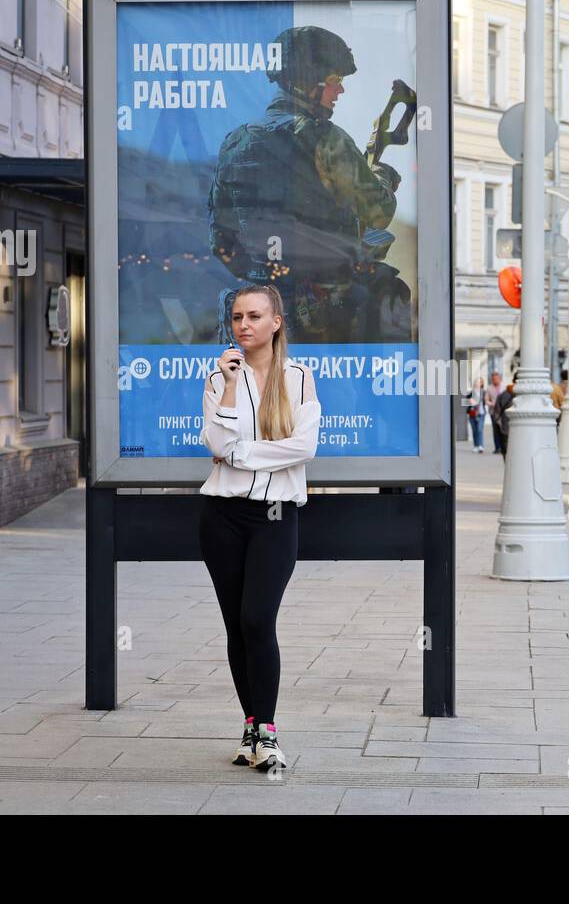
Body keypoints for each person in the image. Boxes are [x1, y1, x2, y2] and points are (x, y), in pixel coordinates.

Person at [208, 25, 410, 344]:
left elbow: (221, 241)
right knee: (390, 290)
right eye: (334, 82)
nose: (339, 92)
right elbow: (379, 211)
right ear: (306, 81)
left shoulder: (235, 141)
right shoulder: (326, 139)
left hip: (255, 324)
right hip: (324, 325)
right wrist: (383, 176)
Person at [198, 284, 320, 774]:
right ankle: (250, 724)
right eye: (236, 317)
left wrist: (243, 455)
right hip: (221, 516)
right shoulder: (217, 378)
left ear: (276, 322)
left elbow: (304, 445)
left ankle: (268, 732)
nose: (243, 325)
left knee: (256, 619)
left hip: (275, 516)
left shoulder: (299, 377)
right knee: (234, 625)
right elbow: (214, 438)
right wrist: (228, 387)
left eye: (253, 316)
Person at [464, 376, 486, 452]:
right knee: (474, 430)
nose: (478, 383)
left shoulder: (484, 392)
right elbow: (465, 402)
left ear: (482, 383)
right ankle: (476, 445)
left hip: (481, 413)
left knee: (480, 429)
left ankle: (481, 446)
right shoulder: (471, 392)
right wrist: (470, 401)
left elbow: (486, 401)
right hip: (472, 414)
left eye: (480, 382)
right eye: (477, 382)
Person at [484, 371, 504, 453]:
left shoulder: (504, 387)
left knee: (503, 429)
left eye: (496, 379)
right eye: (493, 379)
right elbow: (486, 400)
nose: (494, 380)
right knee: (495, 430)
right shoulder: (489, 388)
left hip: (503, 412)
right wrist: (491, 404)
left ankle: (503, 447)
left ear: (499, 378)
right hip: (493, 412)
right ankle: (497, 447)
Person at [494, 382, 515, 457]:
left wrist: (499, 424)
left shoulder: (502, 394)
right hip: (509, 427)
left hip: (505, 427)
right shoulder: (523, 395)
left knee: (506, 449)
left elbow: (497, 411)